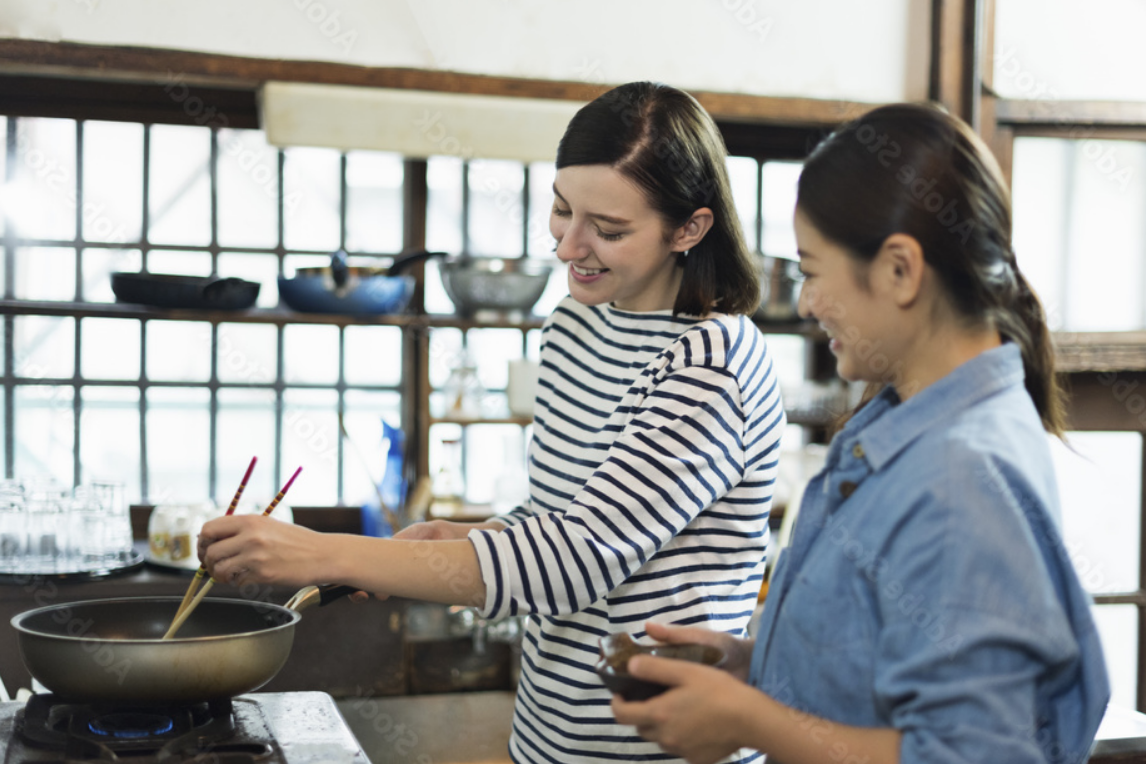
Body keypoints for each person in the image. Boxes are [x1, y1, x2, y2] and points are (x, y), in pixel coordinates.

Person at [198, 81, 787, 763]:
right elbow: (557, 516)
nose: (568, 248)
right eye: (562, 210)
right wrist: (467, 538)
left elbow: (577, 559)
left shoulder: (712, 361)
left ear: (689, 229)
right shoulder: (575, 325)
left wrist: (323, 551)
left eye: (609, 230)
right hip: (546, 738)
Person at [609, 102, 1112, 764]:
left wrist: (751, 721)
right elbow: (886, 660)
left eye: (814, 272)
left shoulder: (961, 475)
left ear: (900, 270)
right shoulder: (907, 418)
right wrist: (758, 667)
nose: (807, 301)